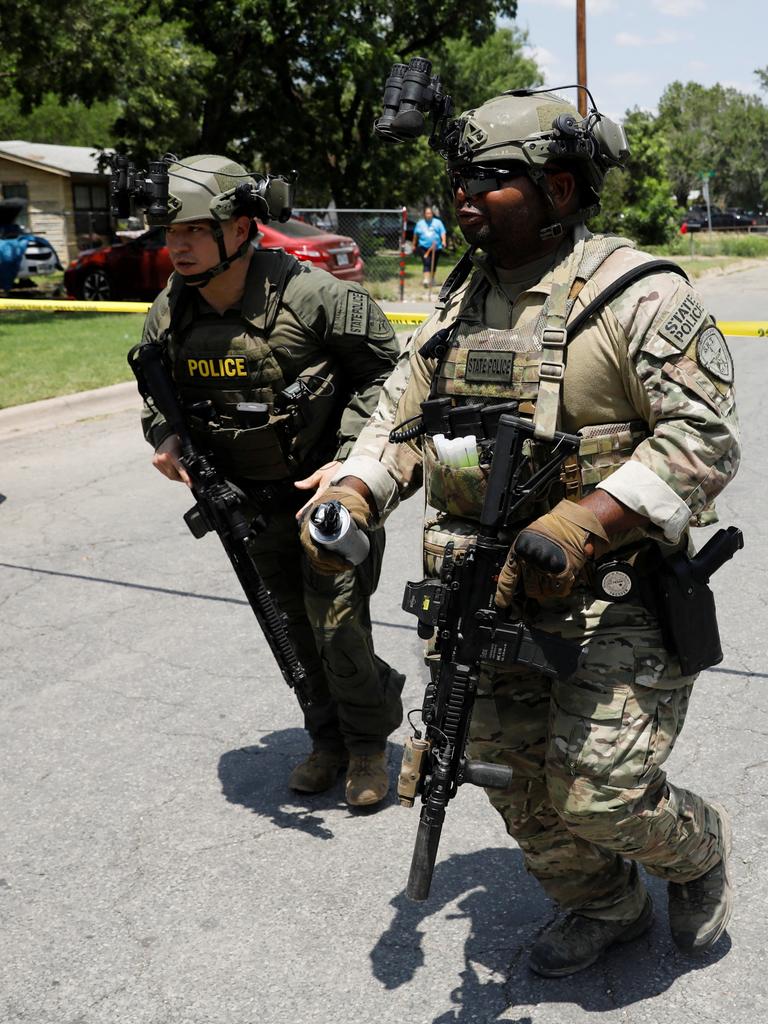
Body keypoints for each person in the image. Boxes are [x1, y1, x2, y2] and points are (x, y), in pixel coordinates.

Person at [300, 91, 740, 970]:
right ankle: (605, 903)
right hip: (483, 594)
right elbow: (400, 420)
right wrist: (350, 492)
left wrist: (587, 520)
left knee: (599, 796)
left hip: (619, 598)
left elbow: (704, 437)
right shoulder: (459, 302)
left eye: (491, 179)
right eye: (460, 177)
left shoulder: (637, 293)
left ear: (562, 188)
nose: (465, 195)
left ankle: (698, 851)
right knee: (511, 780)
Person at [137, 154, 405, 807]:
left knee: (337, 622)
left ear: (240, 226)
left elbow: (387, 378)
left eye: (195, 230)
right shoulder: (170, 313)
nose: (179, 246)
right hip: (243, 502)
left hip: (327, 494)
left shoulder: (315, 295)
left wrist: (349, 458)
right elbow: (154, 393)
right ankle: (328, 740)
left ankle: (368, 747)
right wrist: (164, 438)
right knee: (286, 624)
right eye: (171, 232)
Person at [412, 205, 447, 289]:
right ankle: (426, 280)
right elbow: (415, 235)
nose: (429, 215)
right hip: (423, 246)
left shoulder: (438, 222)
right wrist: (413, 245)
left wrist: (444, 241)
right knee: (426, 262)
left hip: (436, 247)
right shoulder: (420, 223)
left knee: (434, 263)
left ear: (432, 214)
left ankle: (432, 279)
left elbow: (442, 232)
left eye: (430, 213)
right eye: (427, 213)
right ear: (424, 214)